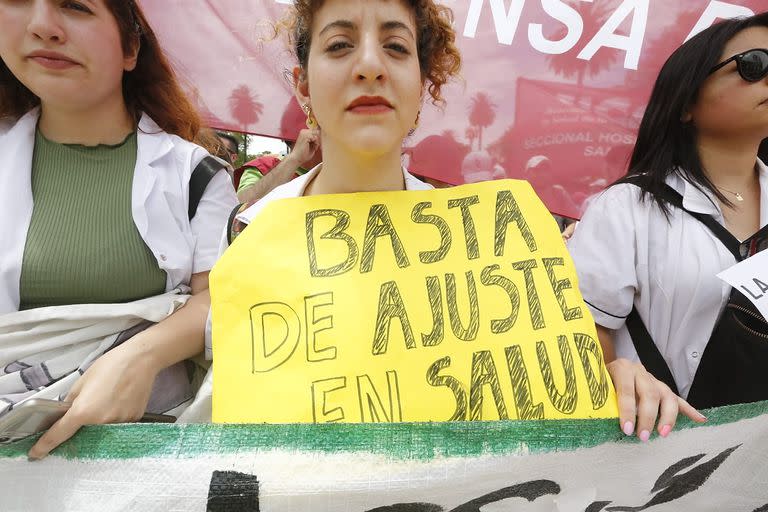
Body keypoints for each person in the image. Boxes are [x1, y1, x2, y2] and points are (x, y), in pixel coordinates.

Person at [178, 0, 463, 422]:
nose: (370, 66)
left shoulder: (467, 240)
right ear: (303, 86)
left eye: (397, 47)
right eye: (340, 44)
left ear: (421, 84)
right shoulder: (249, 231)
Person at [0, 0, 237, 458]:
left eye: (75, 6)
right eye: (18, 1)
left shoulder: (197, 175)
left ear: (131, 48)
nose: (43, 25)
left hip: (146, 458)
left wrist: (140, 356)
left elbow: (221, 301)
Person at [569, 13, 768, 440]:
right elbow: (578, 345)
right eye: (756, 63)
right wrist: (617, 374)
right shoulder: (626, 208)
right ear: (686, 104)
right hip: (659, 470)